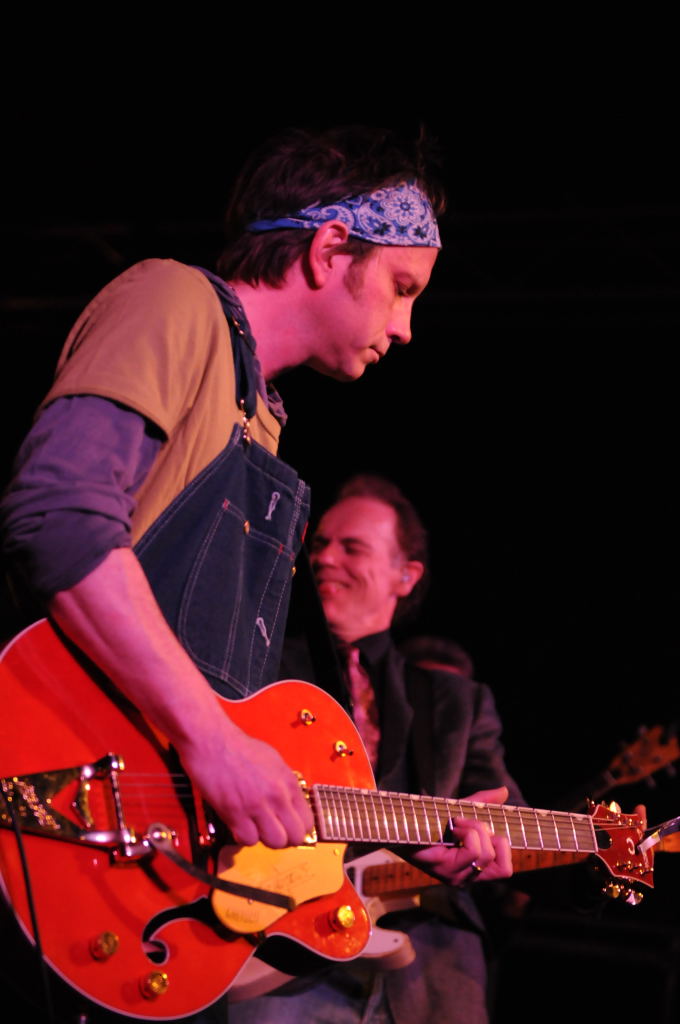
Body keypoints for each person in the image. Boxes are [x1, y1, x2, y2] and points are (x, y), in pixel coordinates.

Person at [0, 128, 510, 1021]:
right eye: (401, 288)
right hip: (57, 796)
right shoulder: (175, 298)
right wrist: (211, 739)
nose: (406, 327)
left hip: (146, 856)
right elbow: (59, 514)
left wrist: (400, 836)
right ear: (330, 249)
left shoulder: (258, 419)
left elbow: (236, 719)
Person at [230, 475, 520, 1024]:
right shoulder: (258, 667)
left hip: (430, 962)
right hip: (277, 941)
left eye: (351, 547)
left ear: (405, 576)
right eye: (319, 545)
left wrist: (487, 847)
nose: (324, 559)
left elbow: (509, 814)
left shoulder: (456, 700)